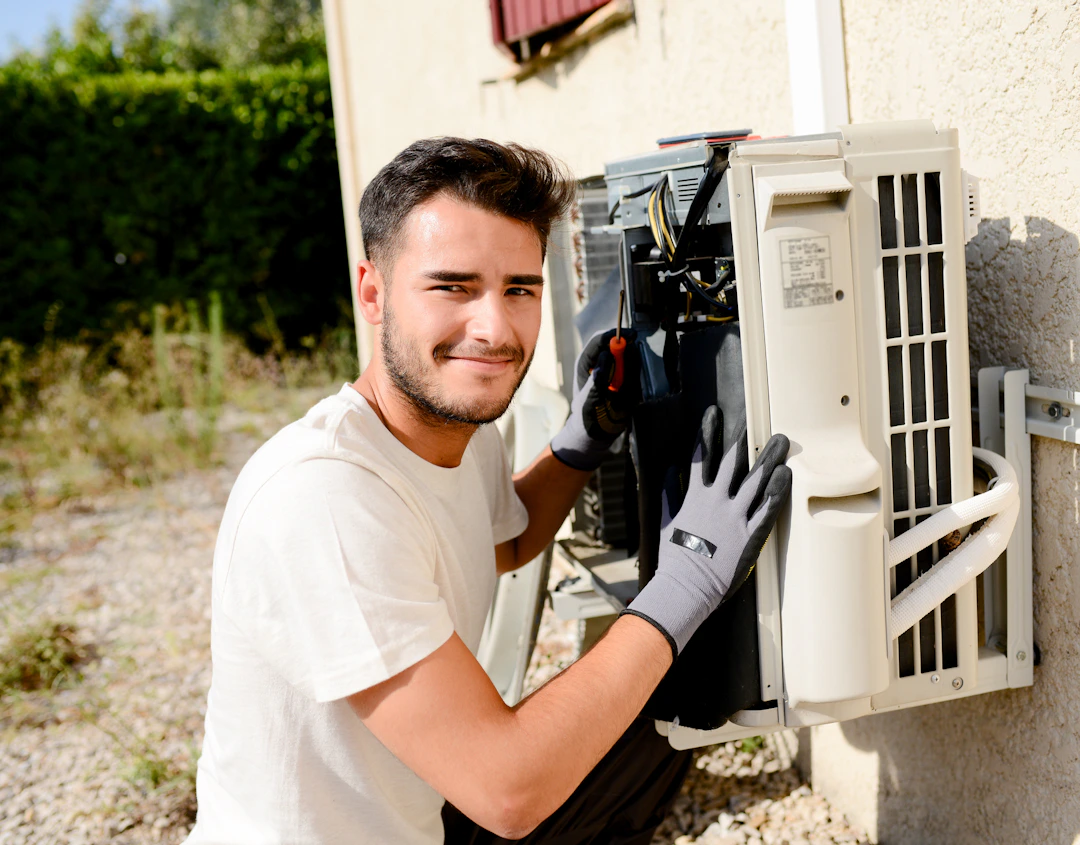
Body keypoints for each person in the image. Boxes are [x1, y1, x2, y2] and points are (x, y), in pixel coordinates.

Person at [185, 137, 792, 845]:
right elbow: (508, 789)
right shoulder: (323, 498)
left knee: (658, 702)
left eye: (519, 289)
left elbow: (504, 537)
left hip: (423, 817)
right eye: (454, 286)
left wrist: (583, 439)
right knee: (620, 686)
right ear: (373, 293)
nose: (496, 328)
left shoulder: (456, 429)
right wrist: (684, 578)